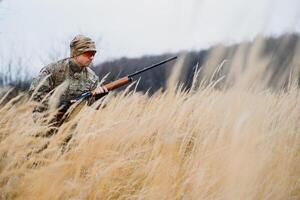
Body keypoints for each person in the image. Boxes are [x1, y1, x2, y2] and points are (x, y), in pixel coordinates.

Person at [29, 34, 108, 124]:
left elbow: (96, 105)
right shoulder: (52, 69)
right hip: (44, 121)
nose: (92, 57)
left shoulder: (92, 78)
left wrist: (100, 99)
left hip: (69, 126)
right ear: (75, 53)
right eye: (88, 54)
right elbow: (35, 93)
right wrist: (57, 105)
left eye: (94, 54)